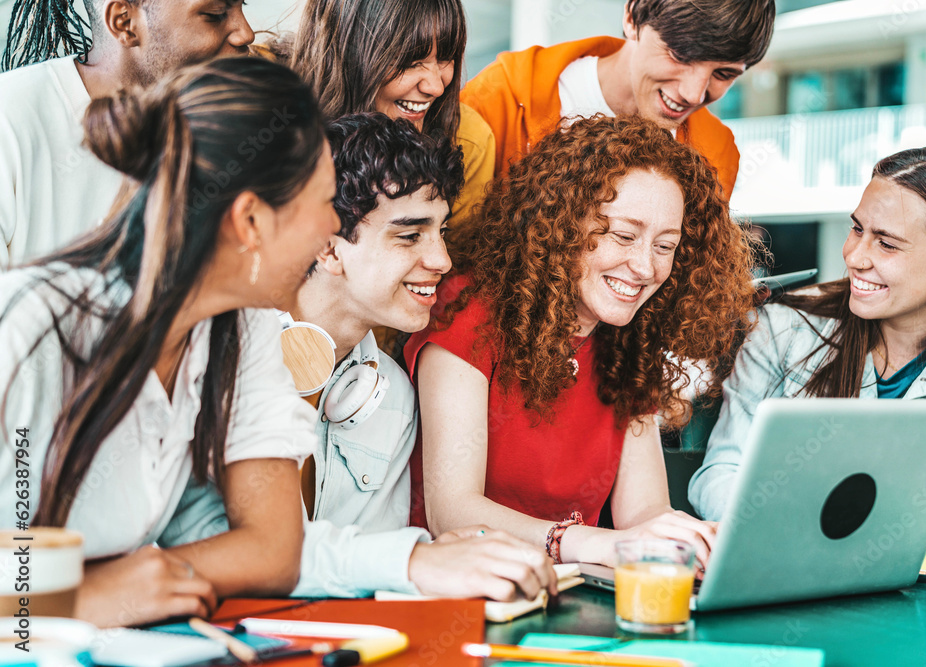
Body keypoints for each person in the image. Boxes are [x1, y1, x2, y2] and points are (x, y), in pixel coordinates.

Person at [161, 113, 558, 601]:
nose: (442, 261)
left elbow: (370, 586)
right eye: (410, 235)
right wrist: (412, 560)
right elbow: (207, 548)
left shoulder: (389, 394)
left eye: (441, 231)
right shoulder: (217, 351)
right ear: (327, 247)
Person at [0, 57, 339, 627]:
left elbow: (273, 551)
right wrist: (77, 601)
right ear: (251, 220)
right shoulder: (34, 327)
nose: (335, 227)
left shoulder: (238, 323)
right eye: (327, 201)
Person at [406, 115, 759, 568]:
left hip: (573, 605)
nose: (646, 267)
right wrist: (589, 544)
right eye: (624, 236)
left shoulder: (629, 341)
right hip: (465, 599)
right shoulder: (469, 310)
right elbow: (452, 512)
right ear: (561, 225)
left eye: (665, 246)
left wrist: (686, 537)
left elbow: (643, 512)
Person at [689, 146, 926, 553]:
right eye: (857, 229)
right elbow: (721, 473)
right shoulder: (784, 329)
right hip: (790, 567)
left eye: (886, 244)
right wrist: (795, 532)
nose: (854, 257)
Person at [0, 0, 255, 267]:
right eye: (214, 15)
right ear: (124, 22)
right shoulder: (10, 118)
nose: (246, 33)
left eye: (242, 5)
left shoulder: (234, 129)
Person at [460, 0, 775, 204]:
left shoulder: (717, 155)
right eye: (680, 56)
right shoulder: (499, 99)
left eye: (723, 73)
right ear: (632, 17)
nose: (693, 94)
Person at [288, 0, 495, 237]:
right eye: (411, 61)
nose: (436, 87)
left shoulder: (468, 140)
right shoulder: (269, 121)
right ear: (347, 52)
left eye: (445, 58)